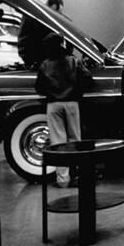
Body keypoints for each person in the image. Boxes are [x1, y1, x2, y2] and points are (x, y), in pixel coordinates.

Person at [35, 33, 94, 187]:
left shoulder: (45, 65)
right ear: (62, 43)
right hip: (72, 104)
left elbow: (39, 88)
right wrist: (77, 91)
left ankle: (63, 180)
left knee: (58, 142)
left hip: (54, 105)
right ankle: (78, 175)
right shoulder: (73, 61)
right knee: (75, 139)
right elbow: (88, 80)